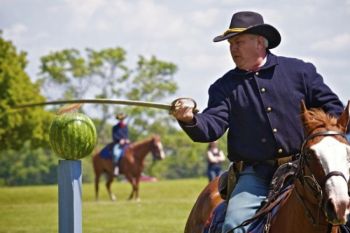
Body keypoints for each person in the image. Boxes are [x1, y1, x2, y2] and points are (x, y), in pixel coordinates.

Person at [171, 11, 344, 233]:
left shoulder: (300, 72)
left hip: (305, 168)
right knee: (235, 226)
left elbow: (334, 110)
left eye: (239, 42)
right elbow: (211, 126)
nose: (233, 49)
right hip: (255, 174)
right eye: (231, 44)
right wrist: (190, 119)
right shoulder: (223, 87)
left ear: (260, 42)